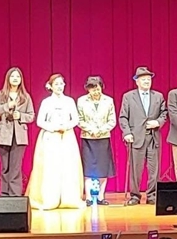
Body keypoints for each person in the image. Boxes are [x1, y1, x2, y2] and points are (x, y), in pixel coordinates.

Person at [26, 74, 84, 210]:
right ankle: (49, 199)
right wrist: (54, 128)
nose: (59, 86)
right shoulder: (46, 102)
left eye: (61, 84)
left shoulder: (69, 101)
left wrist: (66, 126)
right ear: (50, 86)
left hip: (67, 136)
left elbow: (76, 119)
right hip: (50, 137)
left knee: (68, 167)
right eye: (56, 84)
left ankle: (69, 199)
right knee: (51, 167)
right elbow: (40, 121)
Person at [119, 67, 167, 206]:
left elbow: (164, 113)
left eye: (149, 79)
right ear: (137, 81)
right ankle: (135, 195)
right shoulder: (129, 96)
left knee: (154, 169)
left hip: (153, 137)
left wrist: (158, 122)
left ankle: (152, 195)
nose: (147, 81)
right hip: (136, 137)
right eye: (144, 79)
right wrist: (127, 132)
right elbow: (123, 117)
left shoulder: (158, 96)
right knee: (136, 169)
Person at [0, 67, 35, 197]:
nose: (15, 79)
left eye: (18, 76)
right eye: (12, 76)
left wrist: (20, 116)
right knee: (5, 168)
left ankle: (15, 196)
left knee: (15, 167)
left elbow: (31, 116)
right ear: (8, 78)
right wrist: (5, 106)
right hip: (3, 135)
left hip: (19, 136)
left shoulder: (25, 97)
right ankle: (4, 195)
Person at [77, 76, 117, 206]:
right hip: (88, 138)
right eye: (93, 89)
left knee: (103, 168)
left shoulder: (108, 101)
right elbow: (79, 120)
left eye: (98, 89)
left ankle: (101, 196)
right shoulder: (81, 101)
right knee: (88, 168)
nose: (96, 92)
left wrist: (101, 130)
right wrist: (91, 129)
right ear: (88, 89)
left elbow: (112, 120)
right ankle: (88, 197)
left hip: (103, 137)